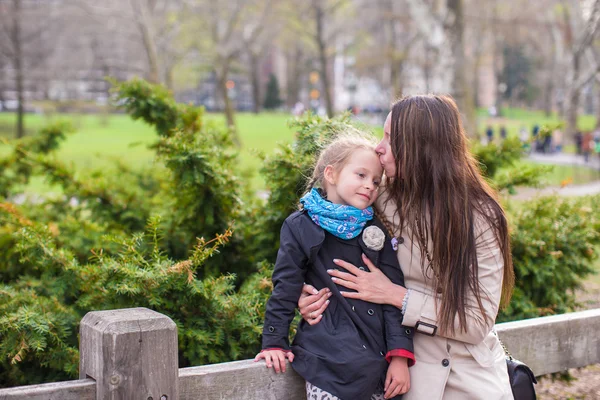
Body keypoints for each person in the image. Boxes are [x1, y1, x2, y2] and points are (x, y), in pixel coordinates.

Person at [298, 95, 515, 400]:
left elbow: (477, 321)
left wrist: (394, 295)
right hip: (397, 364)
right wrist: (309, 292)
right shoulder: (379, 194)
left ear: (421, 149)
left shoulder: (480, 217)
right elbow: (320, 234)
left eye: (390, 138)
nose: (378, 146)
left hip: (466, 374)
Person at [255, 134, 415, 400]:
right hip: (326, 364)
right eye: (361, 175)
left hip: (378, 367)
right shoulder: (300, 227)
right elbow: (286, 286)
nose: (370, 186)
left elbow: (393, 295)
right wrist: (274, 341)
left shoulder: (375, 230)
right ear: (331, 174)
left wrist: (399, 357)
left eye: (376, 181)